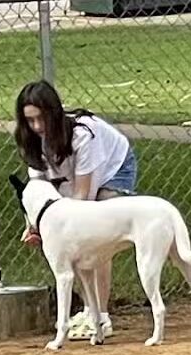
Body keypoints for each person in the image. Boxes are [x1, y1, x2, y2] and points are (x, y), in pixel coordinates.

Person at [13, 79, 139, 340]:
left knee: (95, 234)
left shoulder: (83, 134)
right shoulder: (34, 141)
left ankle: (100, 316)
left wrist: (64, 228)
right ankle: (90, 309)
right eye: (30, 121)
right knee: (65, 241)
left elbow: (83, 198)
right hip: (66, 180)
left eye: (41, 119)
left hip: (111, 170)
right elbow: (38, 191)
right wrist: (35, 227)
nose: (37, 127)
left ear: (54, 113)